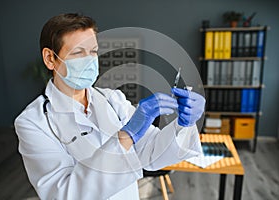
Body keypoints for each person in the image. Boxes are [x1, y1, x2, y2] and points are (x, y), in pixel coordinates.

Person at [15, 13, 205, 200]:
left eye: (93, 51)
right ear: (50, 58)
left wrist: (184, 125)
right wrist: (126, 136)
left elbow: (152, 155)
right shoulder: (34, 122)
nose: (89, 60)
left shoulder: (112, 100)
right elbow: (63, 194)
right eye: (78, 52)